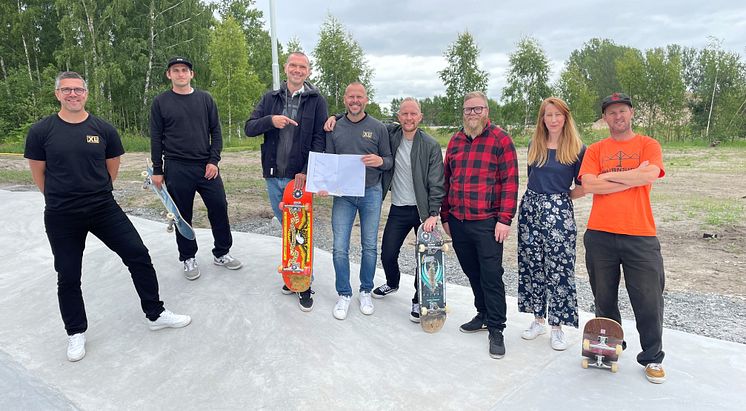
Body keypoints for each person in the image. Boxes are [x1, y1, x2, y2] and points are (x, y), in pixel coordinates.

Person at [24, 71, 191, 362]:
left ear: (86, 93)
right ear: (58, 94)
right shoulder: (42, 131)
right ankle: (75, 332)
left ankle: (156, 313)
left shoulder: (102, 128)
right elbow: (38, 171)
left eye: (78, 89)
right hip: (62, 214)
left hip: (103, 207)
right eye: (66, 90)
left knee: (138, 254)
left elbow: (111, 166)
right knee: (68, 274)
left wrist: (97, 190)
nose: (73, 94)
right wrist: (56, 198)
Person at [324, 97, 445, 322]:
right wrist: (336, 117)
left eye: (413, 114)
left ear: (420, 117)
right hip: (399, 207)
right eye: (404, 114)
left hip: (422, 210)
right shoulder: (390, 133)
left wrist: (434, 213)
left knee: (424, 256)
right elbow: (359, 117)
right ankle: (392, 282)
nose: (409, 118)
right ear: (398, 117)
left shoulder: (430, 145)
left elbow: (437, 180)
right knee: (387, 253)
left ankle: (420, 299)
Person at [578, 92, 667, 384]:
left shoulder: (648, 145)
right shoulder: (595, 149)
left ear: (631, 113)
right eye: (611, 112)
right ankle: (609, 347)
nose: (617, 117)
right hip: (600, 234)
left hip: (640, 234)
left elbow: (649, 175)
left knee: (648, 299)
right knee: (604, 297)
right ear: (605, 118)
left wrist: (608, 180)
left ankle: (652, 357)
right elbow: (589, 184)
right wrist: (633, 175)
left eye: (622, 111)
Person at [244, 51, 327, 312]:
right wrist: (271, 120)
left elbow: (319, 139)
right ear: (286, 68)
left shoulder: (316, 100)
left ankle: (304, 283)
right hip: (273, 175)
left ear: (308, 72)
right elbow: (249, 127)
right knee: (288, 230)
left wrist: (306, 170)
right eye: (294, 65)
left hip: (298, 179)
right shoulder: (270, 98)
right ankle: (293, 275)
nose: (298, 70)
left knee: (301, 230)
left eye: (303, 67)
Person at [441, 91, 518, 359]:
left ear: (487, 111)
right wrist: (445, 215)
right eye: (467, 110)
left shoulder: (500, 139)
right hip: (459, 221)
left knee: (491, 275)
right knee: (472, 272)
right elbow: (446, 179)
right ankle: (482, 313)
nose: (472, 114)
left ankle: (497, 328)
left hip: (487, 222)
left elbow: (510, 182)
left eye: (477, 109)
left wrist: (504, 219)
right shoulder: (456, 141)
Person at [150, 56, 242, 280]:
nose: (180, 74)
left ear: (192, 74)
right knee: (183, 216)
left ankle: (222, 253)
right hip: (176, 166)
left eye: (184, 70)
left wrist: (213, 161)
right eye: (176, 70)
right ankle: (188, 257)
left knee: (219, 207)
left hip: (205, 166)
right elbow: (155, 137)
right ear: (168, 75)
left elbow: (216, 133)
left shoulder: (205, 99)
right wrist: (157, 169)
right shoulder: (161, 102)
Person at [517, 97, 586, 351]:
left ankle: (558, 326)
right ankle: (538, 319)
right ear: (542, 119)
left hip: (559, 212)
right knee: (532, 264)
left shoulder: (577, 148)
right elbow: (531, 176)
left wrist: (561, 199)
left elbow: (582, 186)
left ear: (565, 117)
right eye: (548, 115)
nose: (553, 119)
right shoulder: (535, 144)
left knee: (559, 268)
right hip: (530, 209)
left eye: (558, 115)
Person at [323, 82, 392, 320]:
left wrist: (379, 161)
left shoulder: (378, 128)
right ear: (344, 100)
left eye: (359, 97)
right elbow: (329, 161)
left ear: (366, 99)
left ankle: (365, 290)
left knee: (370, 246)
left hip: (371, 192)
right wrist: (323, 185)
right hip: (343, 195)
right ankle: (344, 293)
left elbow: (389, 160)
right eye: (351, 97)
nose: (355, 101)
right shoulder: (335, 127)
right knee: (339, 247)